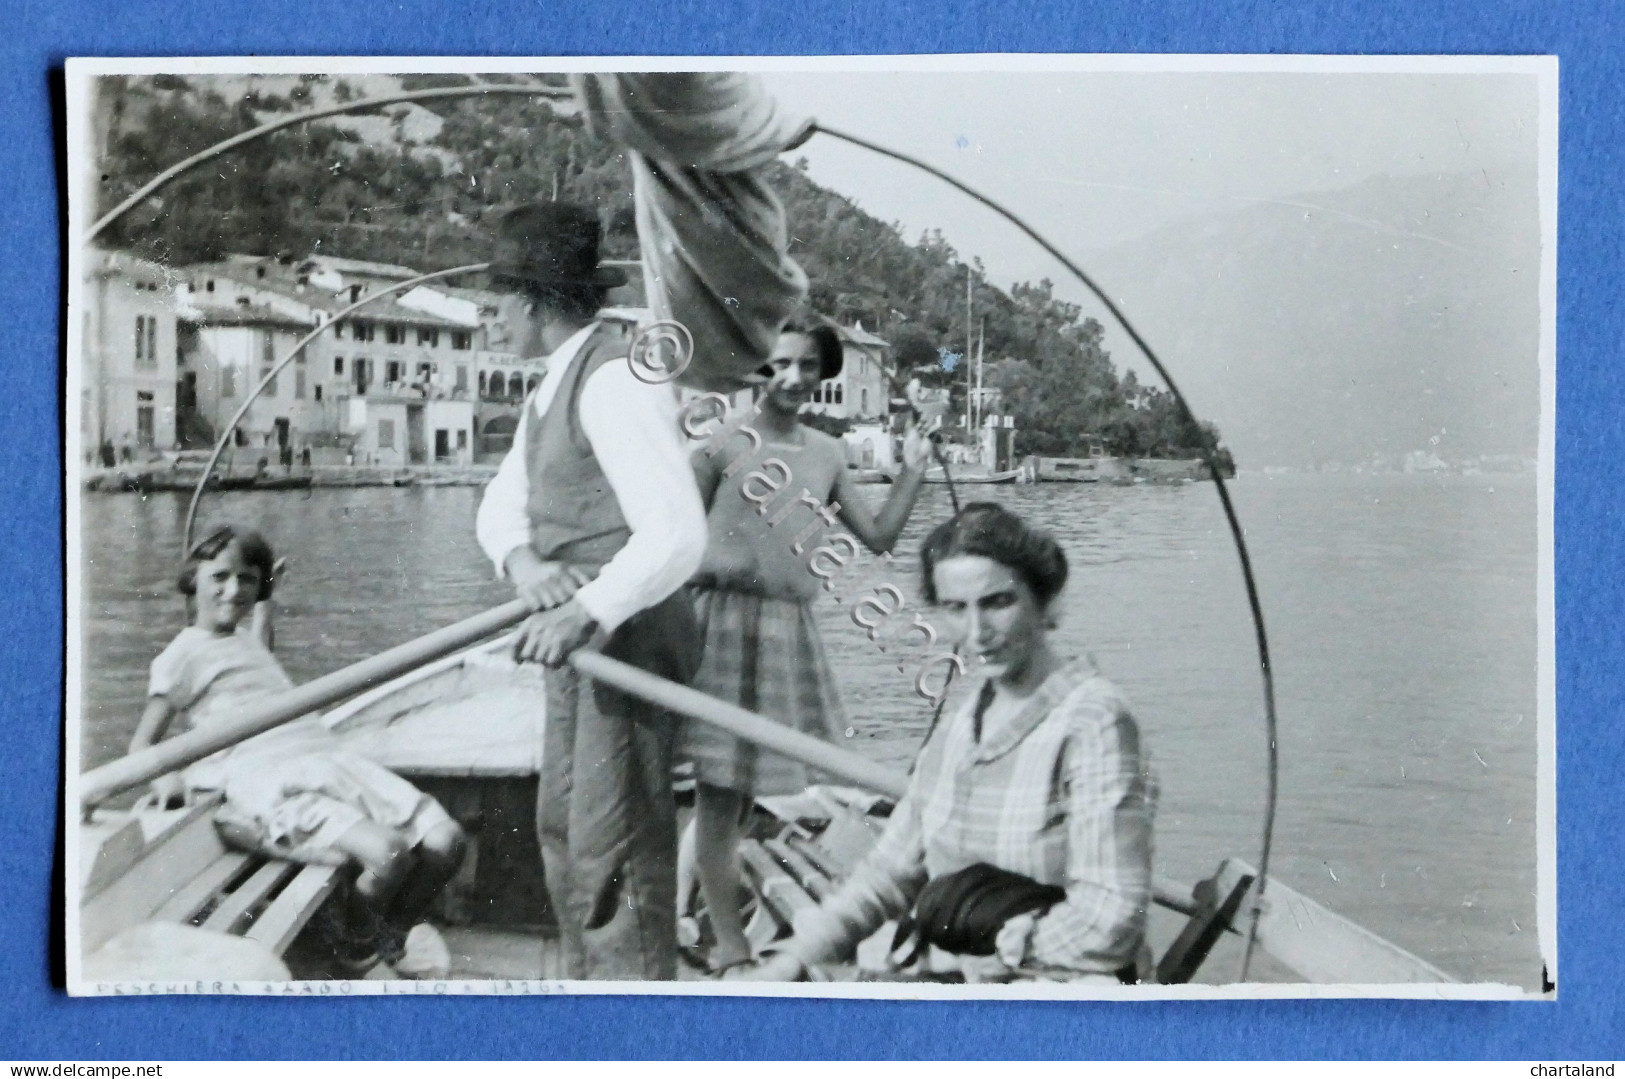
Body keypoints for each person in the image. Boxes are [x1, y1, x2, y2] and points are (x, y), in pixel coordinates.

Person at [738, 503, 1158, 984]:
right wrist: (791, 959)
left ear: (1045, 601)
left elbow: (1114, 918)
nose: (977, 634)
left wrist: (1005, 955)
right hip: (962, 979)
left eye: (998, 602)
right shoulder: (961, 726)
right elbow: (888, 872)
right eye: (956, 608)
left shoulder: (1094, 722)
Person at [474, 202, 708, 980]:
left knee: (615, 843)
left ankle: (636, 1014)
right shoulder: (550, 387)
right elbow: (499, 506)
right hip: (577, 636)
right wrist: (525, 565)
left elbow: (676, 534)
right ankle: (584, 996)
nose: (489, 318)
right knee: (563, 826)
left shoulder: (613, 381)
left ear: (533, 303)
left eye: (495, 303)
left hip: (628, 635)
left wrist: (586, 607)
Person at [678, 316, 936, 974]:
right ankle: (729, 947)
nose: (791, 378)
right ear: (755, 369)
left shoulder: (825, 452)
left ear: (822, 374)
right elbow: (672, 538)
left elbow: (876, 537)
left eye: (806, 366)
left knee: (737, 797)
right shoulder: (718, 442)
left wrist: (912, 471)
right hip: (716, 624)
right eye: (777, 364)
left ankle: (690, 912)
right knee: (716, 791)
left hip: (785, 629)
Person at [129, 524, 467, 979]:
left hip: (325, 760)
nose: (233, 591)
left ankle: (391, 933)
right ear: (192, 579)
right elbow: (142, 743)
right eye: (220, 577)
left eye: (247, 579)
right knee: (389, 854)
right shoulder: (181, 656)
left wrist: (268, 601)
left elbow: (258, 651)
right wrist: (164, 776)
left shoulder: (243, 639)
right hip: (270, 779)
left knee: (448, 841)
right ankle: (358, 949)